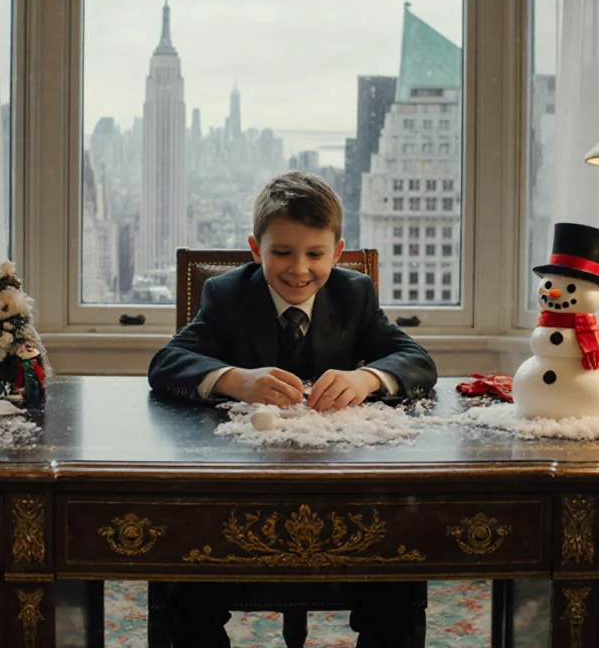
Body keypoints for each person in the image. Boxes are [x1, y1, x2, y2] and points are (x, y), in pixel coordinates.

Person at [148, 170, 437, 647]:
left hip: (344, 493)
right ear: (254, 249)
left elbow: (418, 361)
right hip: (236, 493)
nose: (298, 269)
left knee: (400, 576)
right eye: (281, 252)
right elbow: (166, 363)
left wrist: (366, 378)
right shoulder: (225, 294)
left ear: (338, 253)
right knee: (185, 588)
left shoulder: (355, 294)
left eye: (315, 254)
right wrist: (235, 379)